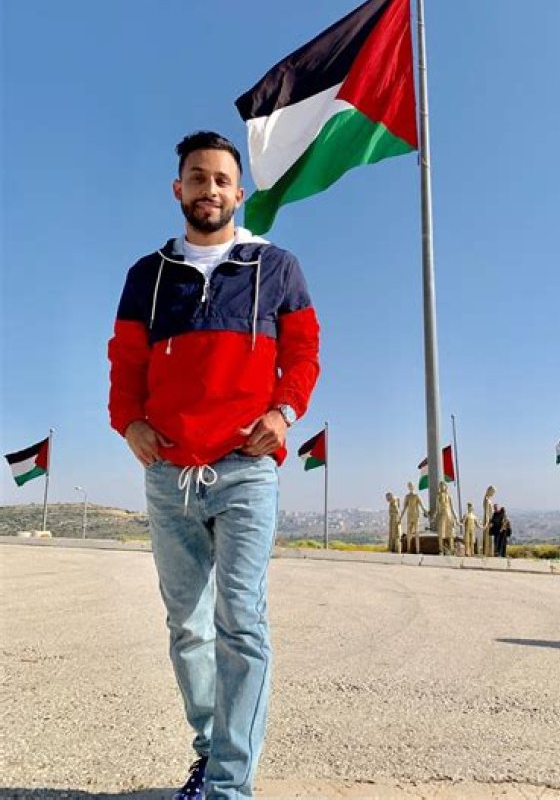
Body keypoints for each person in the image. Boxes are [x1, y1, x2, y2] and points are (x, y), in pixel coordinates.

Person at [108, 131, 320, 800]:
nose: (210, 190)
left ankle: (230, 785)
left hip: (245, 469)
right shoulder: (147, 275)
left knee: (241, 623)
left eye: (222, 179)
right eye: (197, 178)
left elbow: (304, 352)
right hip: (169, 472)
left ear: (240, 192)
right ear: (179, 189)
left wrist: (284, 411)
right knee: (188, 627)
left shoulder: (275, 266)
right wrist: (129, 421)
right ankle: (210, 750)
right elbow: (126, 360)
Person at [401, 481, 427, 553]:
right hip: (409, 515)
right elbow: (404, 508)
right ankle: (408, 549)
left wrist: (425, 512)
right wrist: (400, 518)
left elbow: (421, 505)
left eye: (411, 485)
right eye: (409, 486)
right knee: (409, 532)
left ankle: (418, 550)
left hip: (415, 515)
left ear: (413, 487)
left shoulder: (416, 496)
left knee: (416, 532)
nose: (410, 487)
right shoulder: (407, 496)